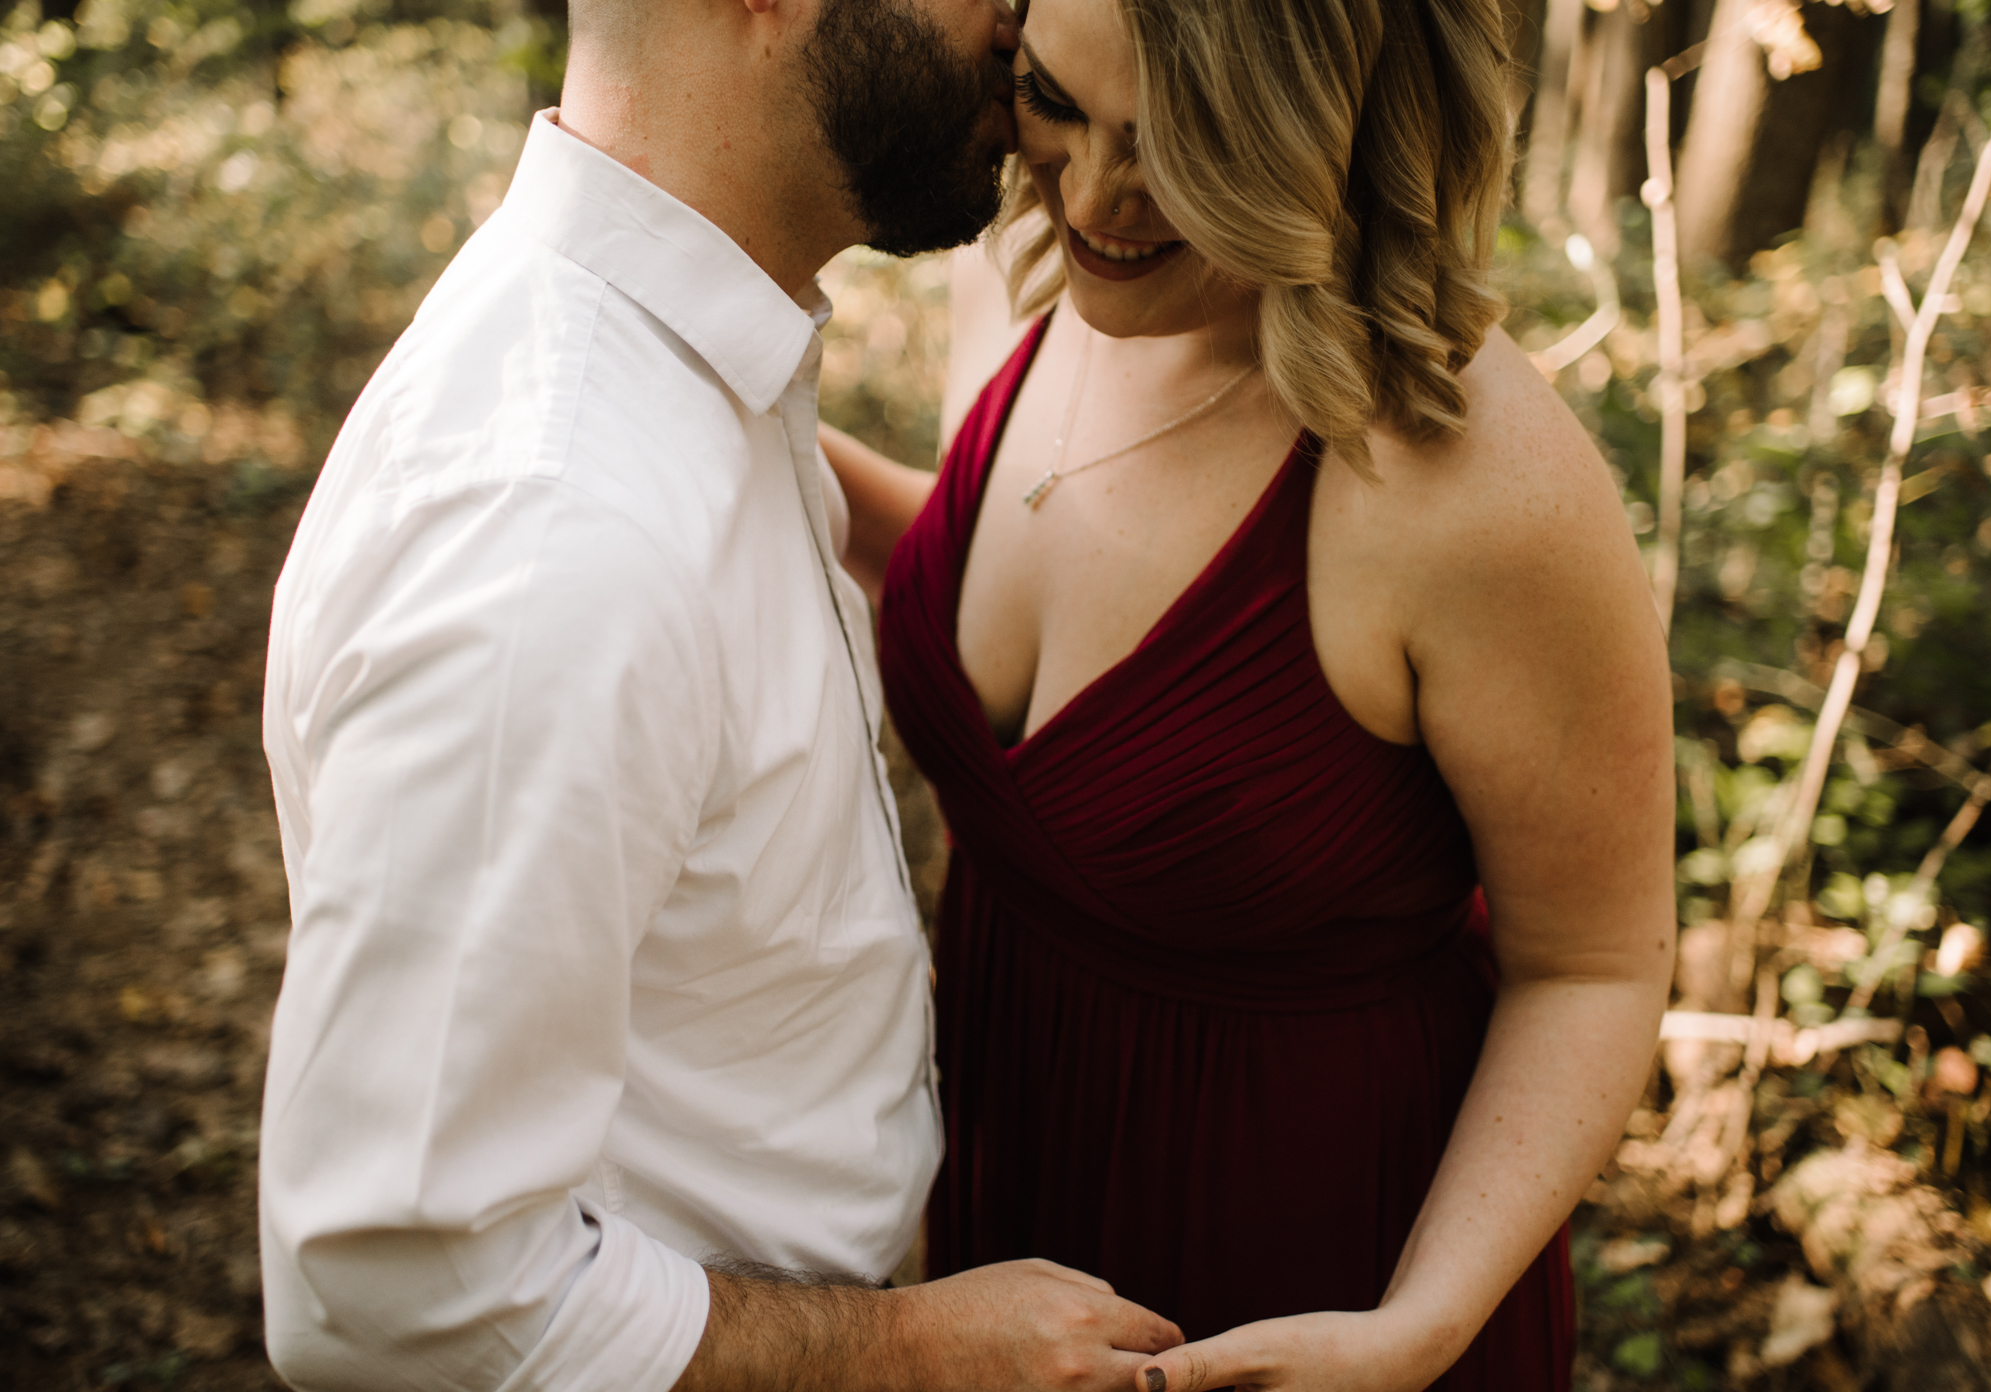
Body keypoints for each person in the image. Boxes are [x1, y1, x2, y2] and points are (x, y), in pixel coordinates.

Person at [255, 1, 1185, 1389]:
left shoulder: (685, 374)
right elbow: (397, 1290)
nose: (1015, 13)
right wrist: (911, 1352)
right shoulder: (555, 533)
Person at [820, 0, 1678, 1385]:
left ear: (1330, 135)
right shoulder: (1022, 270)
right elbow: (1042, 592)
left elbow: (1589, 966)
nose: (1094, 199)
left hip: (1320, 1265)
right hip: (1005, 1187)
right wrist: (713, 418)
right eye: (1052, 103)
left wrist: (1417, 1329)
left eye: (1181, 152)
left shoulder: (1464, 481)